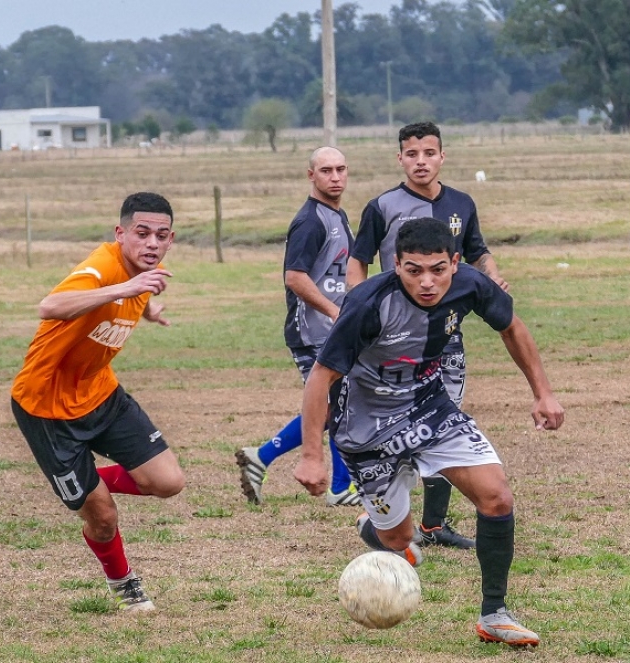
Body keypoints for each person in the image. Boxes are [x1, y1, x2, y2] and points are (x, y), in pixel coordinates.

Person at [294, 218, 564, 647]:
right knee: (399, 540)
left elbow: (511, 326)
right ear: (395, 264)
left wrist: (543, 393)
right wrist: (312, 455)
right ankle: (376, 528)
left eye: (438, 269)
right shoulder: (366, 303)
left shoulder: (470, 284)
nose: (427, 282)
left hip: (430, 409)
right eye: (414, 269)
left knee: (497, 497)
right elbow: (320, 378)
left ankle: (494, 614)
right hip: (367, 429)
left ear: (455, 263)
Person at [11, 192, 185, 612]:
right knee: (103, 518)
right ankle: (123, 582)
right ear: (120, 233)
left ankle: (89, 483)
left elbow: (133, 294)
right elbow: (49, 305)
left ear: (171, 239)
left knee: (168, 482)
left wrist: (147, 307)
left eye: (161, 236)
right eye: (142, 234)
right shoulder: (103, 267)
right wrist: (122, 288)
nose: (151, 244)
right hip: (47, 408)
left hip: (101, 394)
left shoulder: (145, 271)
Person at [346, 121, 507, 550]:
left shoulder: (461, 202)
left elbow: (477, 250)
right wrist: (355, 307)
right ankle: (387, 513)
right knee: (400, 426)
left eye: (429, 153)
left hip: (447, 334)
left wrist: (492, 274)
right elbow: (358, 260)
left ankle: (434, 526)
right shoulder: (381, 206)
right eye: (412, 154)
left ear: (442, 156)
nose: (421, 162)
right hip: (392, 338)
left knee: (445, 418)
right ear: (400, 158)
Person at [235, 146, 359, 507]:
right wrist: (334, 312)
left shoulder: (338, 215)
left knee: (336, 403)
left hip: (332, 329)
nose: (335, 177)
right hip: (312, 332)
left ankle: (262, 456)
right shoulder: (310, 221)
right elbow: (295, 277)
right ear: (311, 176)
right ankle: (339, 487)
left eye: (340, 169)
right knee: (336, 404)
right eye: (326, 171)